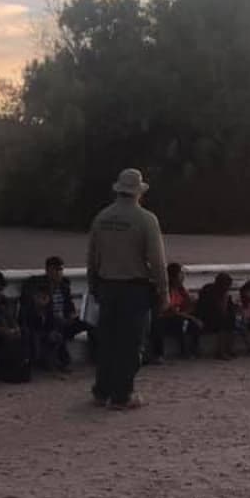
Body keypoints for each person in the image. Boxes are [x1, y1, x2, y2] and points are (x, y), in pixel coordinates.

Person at [87, 168, 169, 411]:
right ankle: (122, 395)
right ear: (138, 192)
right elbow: (157, 261)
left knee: (108, 341)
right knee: (131, 343)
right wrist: (163, 291)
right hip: (134, 288)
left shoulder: (101, 218)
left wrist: (93, 285)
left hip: (106, 285)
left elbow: (92, 257)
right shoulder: (146, 219)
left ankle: (101, 391)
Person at [25, 256, 92, 366]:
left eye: (60, 270)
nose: (59, 273)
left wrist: (71, 315)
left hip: (64, 321)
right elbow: (39, 309)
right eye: (56, 270)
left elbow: (69, 306)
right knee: (56, 326)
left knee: (89, 323)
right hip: (49, 323)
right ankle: (60, 359)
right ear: (48, 270)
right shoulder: (40, 286)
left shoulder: (64, 286)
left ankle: (96, 354)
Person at [152, 263, 203, 358]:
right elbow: (169, 310)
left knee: (193, 321)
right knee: (183, 322)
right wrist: (188, 316)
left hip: (180, 316)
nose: (183, 276)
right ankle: (184, 350)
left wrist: (188, 311)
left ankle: (194, 348)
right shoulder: (167, 290)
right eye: (181, 274)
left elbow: (189, 304)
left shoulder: (181, 289)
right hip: (165, 319)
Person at [196, 273, 235, 360]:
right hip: (206, 319)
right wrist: (225, 299)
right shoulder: (209, 292)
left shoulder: (224, 294)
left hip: (217, 317)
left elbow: (228, 310)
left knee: (231, 319)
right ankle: (221, 352)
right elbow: (218, 310)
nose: (227, 289)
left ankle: (229, 348)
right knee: (222, 321)